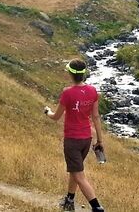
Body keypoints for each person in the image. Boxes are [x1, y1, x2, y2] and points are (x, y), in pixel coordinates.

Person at [45, 60, 105, 212]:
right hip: (87, 138)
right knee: (75, 170)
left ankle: (97, 207)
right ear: (84, 73)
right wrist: (100, 140)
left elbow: (56, 117)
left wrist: (47, 112)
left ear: (70, 73)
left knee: (79, 175)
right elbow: (96, 117)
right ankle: (69, 200)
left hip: (72, 139)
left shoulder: (67, 93)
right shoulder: (93, 91)